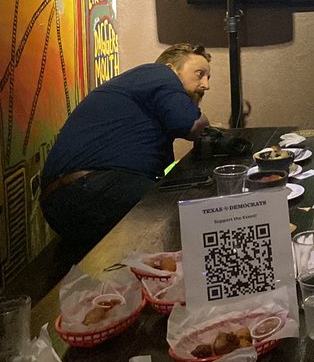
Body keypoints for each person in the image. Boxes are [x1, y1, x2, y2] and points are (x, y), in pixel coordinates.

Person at [41, 43, 213, 257]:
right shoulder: (159, 73)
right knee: (189, 215)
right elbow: (193, 125)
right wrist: (211, 129)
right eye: (199, 74)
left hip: (72, 195)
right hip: (85, 188)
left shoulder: (144, 94)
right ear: (171, 68)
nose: (205, 85)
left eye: (208, 77)